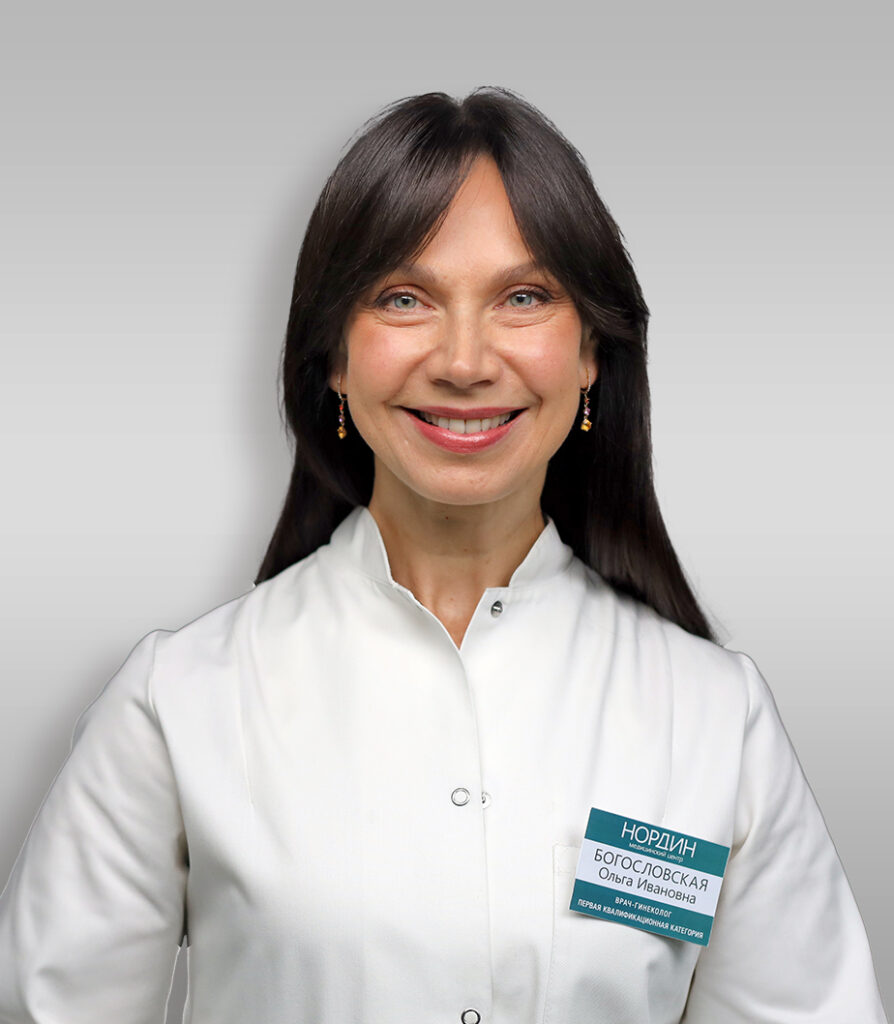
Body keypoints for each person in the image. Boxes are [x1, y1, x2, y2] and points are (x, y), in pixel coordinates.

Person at [0, 87, 886, 1024]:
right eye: (404, 298)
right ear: (333, 358)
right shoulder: (180, 702)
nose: (464, 361)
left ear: (591, 352)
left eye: (524, 297)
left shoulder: (712, 720)